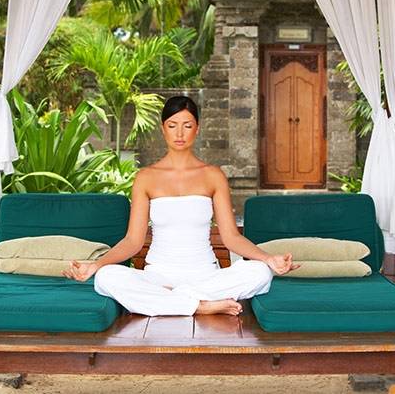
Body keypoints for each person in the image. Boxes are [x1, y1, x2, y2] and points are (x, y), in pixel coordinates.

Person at [63, 96, 299, 316]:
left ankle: (171, 301)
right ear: (163, 128)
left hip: (205, 276)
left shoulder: (213, 176)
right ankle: (199, 306)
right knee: (105, 277)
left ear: (197, 128)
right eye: (172, 125)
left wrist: (269, 259)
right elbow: (133, 241)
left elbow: (231, 238)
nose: (179, 133)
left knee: (260, 272)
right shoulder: (146, 178)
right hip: (158, 277)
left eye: (187, 125)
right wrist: (96, 265)